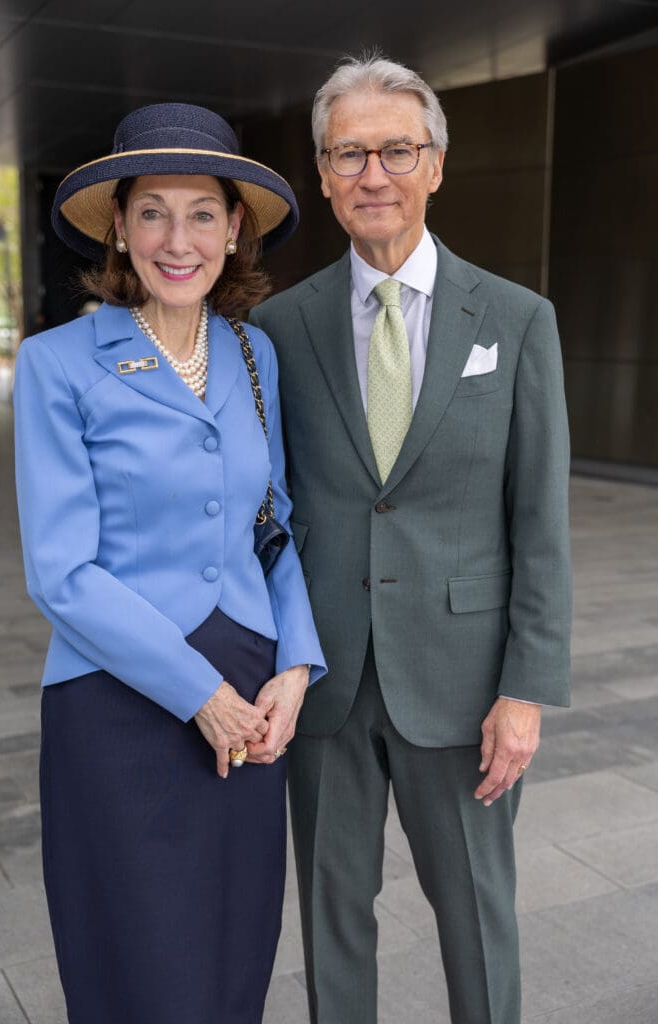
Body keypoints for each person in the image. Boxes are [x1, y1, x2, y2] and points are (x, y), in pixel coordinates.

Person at [250, 55, 572, 1024]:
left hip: (466, 683)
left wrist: (523, 690)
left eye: (396, 149)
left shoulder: (516, 321)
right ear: (320, 172)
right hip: (325, 681)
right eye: (349, 153)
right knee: (331, 913)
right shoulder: (277, 326)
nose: (372, 174)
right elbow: (271, 513)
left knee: (476, 910)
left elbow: (539, 520)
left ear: (434, 164)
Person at [14, 102, 325, 1024]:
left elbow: (276, 531)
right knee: (140, 958)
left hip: (249, 688)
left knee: (233, 947)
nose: (175, 238)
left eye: (201, 213)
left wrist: (297, 668)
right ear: (119, 225)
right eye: (152, 210)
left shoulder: (254, 354)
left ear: (235, 230)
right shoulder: (58, 363)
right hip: (121, 695)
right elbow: (61, 572)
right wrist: (199, 693)